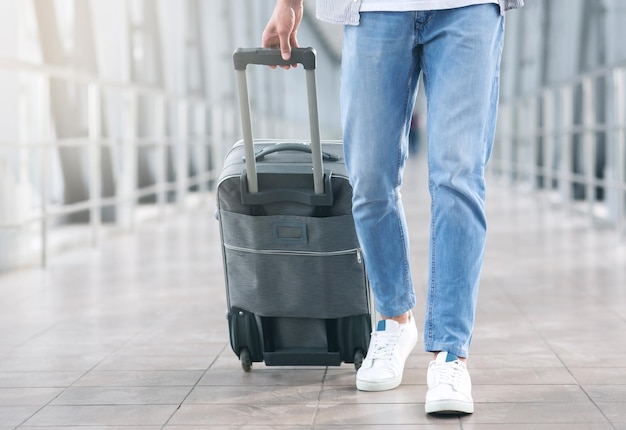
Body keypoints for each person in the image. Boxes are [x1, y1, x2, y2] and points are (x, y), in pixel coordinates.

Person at [262, 0, 523, 415]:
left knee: (459, 179)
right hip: (374, 9)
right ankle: (395, 319)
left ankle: (451, 354)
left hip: (469, 8)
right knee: (369, 180)